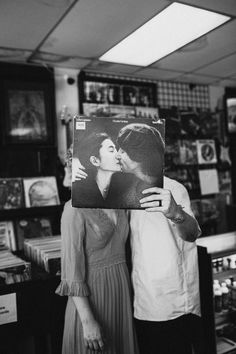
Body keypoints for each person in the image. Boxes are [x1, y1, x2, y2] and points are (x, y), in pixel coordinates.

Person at [74, 122, 204, 354]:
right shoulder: (118, 193)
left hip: (172, 303)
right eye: (117, 148)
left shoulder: (174, 188)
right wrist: (78, 172)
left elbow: (192, 234)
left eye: (124, 150)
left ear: (141, 156)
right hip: (134, 299)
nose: (119, 154)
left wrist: (175, 213)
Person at [56, 138, 139, 354]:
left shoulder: (120, 202)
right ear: (94, 160)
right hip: (92, 300)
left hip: (120, 293)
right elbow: (71, 271)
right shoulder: (74, 208)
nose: (119, 154)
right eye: (112, 149)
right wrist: (88, 321)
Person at [73, 123, 164, 209]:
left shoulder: (131, 184)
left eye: (121, 151)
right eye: (112, 150)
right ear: (95, 161)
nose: (117, 155)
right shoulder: (80, 190)